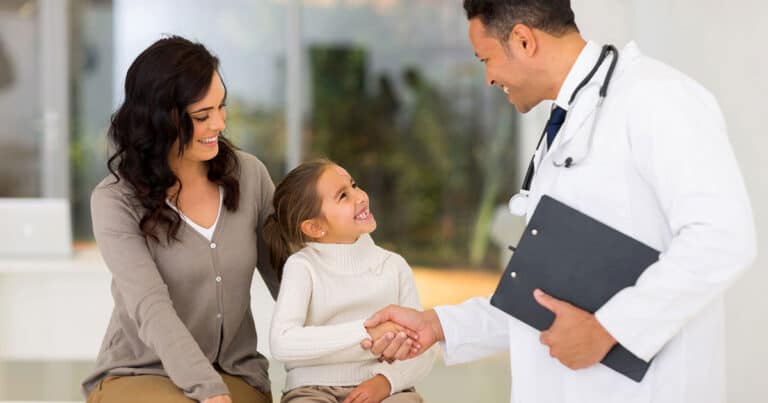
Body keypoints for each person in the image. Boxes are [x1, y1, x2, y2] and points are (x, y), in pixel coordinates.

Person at [362, 1, 757, 403]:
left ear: (523, 40)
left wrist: (608, 330)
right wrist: (438, 325)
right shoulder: (567, 124)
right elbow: (545, 300)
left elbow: (723, 237)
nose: (489, 78)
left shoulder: (657, 98)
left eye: (487, 59)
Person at [81, 36, 278, 403]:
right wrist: (208, 392)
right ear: (160, 119)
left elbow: (292, 279)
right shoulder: (114, 201)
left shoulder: (250, 176)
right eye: (203, 115)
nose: (219, 123)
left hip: (235, 372)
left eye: (222, 107)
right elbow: (150, 306)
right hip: (141, 373)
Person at [264, 160, 435, 403]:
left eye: (354, 185)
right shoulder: (302, 267)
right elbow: (282, 341)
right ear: (315, 227)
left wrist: (386, 382)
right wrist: (367, 332)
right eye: (343, 195)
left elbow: (423, 348)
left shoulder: (394, 266)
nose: (360, 196)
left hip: (384, 387)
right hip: (312, 390)